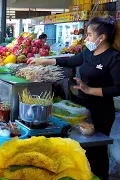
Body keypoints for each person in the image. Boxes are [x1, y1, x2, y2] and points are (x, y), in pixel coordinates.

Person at [29, 16, 120, 180]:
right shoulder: (88, 53)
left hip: (101, 112)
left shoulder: (114, 58)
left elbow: (118, 88)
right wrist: (43, 61)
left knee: (97, 151)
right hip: (81, 108)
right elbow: (69, 61)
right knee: (81, 148)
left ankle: (99, 176)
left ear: (102, 37)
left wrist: (90, 90)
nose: (86, 38)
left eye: (90, 34)